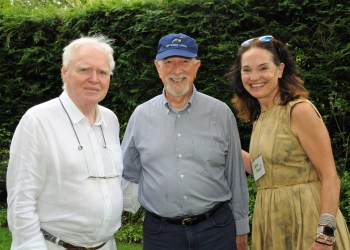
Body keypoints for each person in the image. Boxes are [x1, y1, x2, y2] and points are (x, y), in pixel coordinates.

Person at [7, 35, 139, 250]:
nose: (94, 79)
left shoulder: (110, 120)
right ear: (64, 72)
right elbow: (21, 198)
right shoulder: (38, 120)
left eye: (103, 72)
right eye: (85, 69)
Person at [121, 33, 250, 250]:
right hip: (161, 234)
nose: (177, 70)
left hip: (216, 230)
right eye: (169, 62)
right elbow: (127, 172)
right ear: (157, 67)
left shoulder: (221, 113)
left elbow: (235, 175)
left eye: (184, 62)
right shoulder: (141, 116)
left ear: (197, 65)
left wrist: (241, 228)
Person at [226, 35, 350, 250]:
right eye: (247, 70)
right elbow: (263, 171)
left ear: (280, 70)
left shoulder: (299, 110)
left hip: (307, 218)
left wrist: (325, 235)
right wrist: (222, 146)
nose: (254, 76)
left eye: (263, 68)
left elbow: (330, 176)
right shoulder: (261, 117)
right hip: (271, 219)